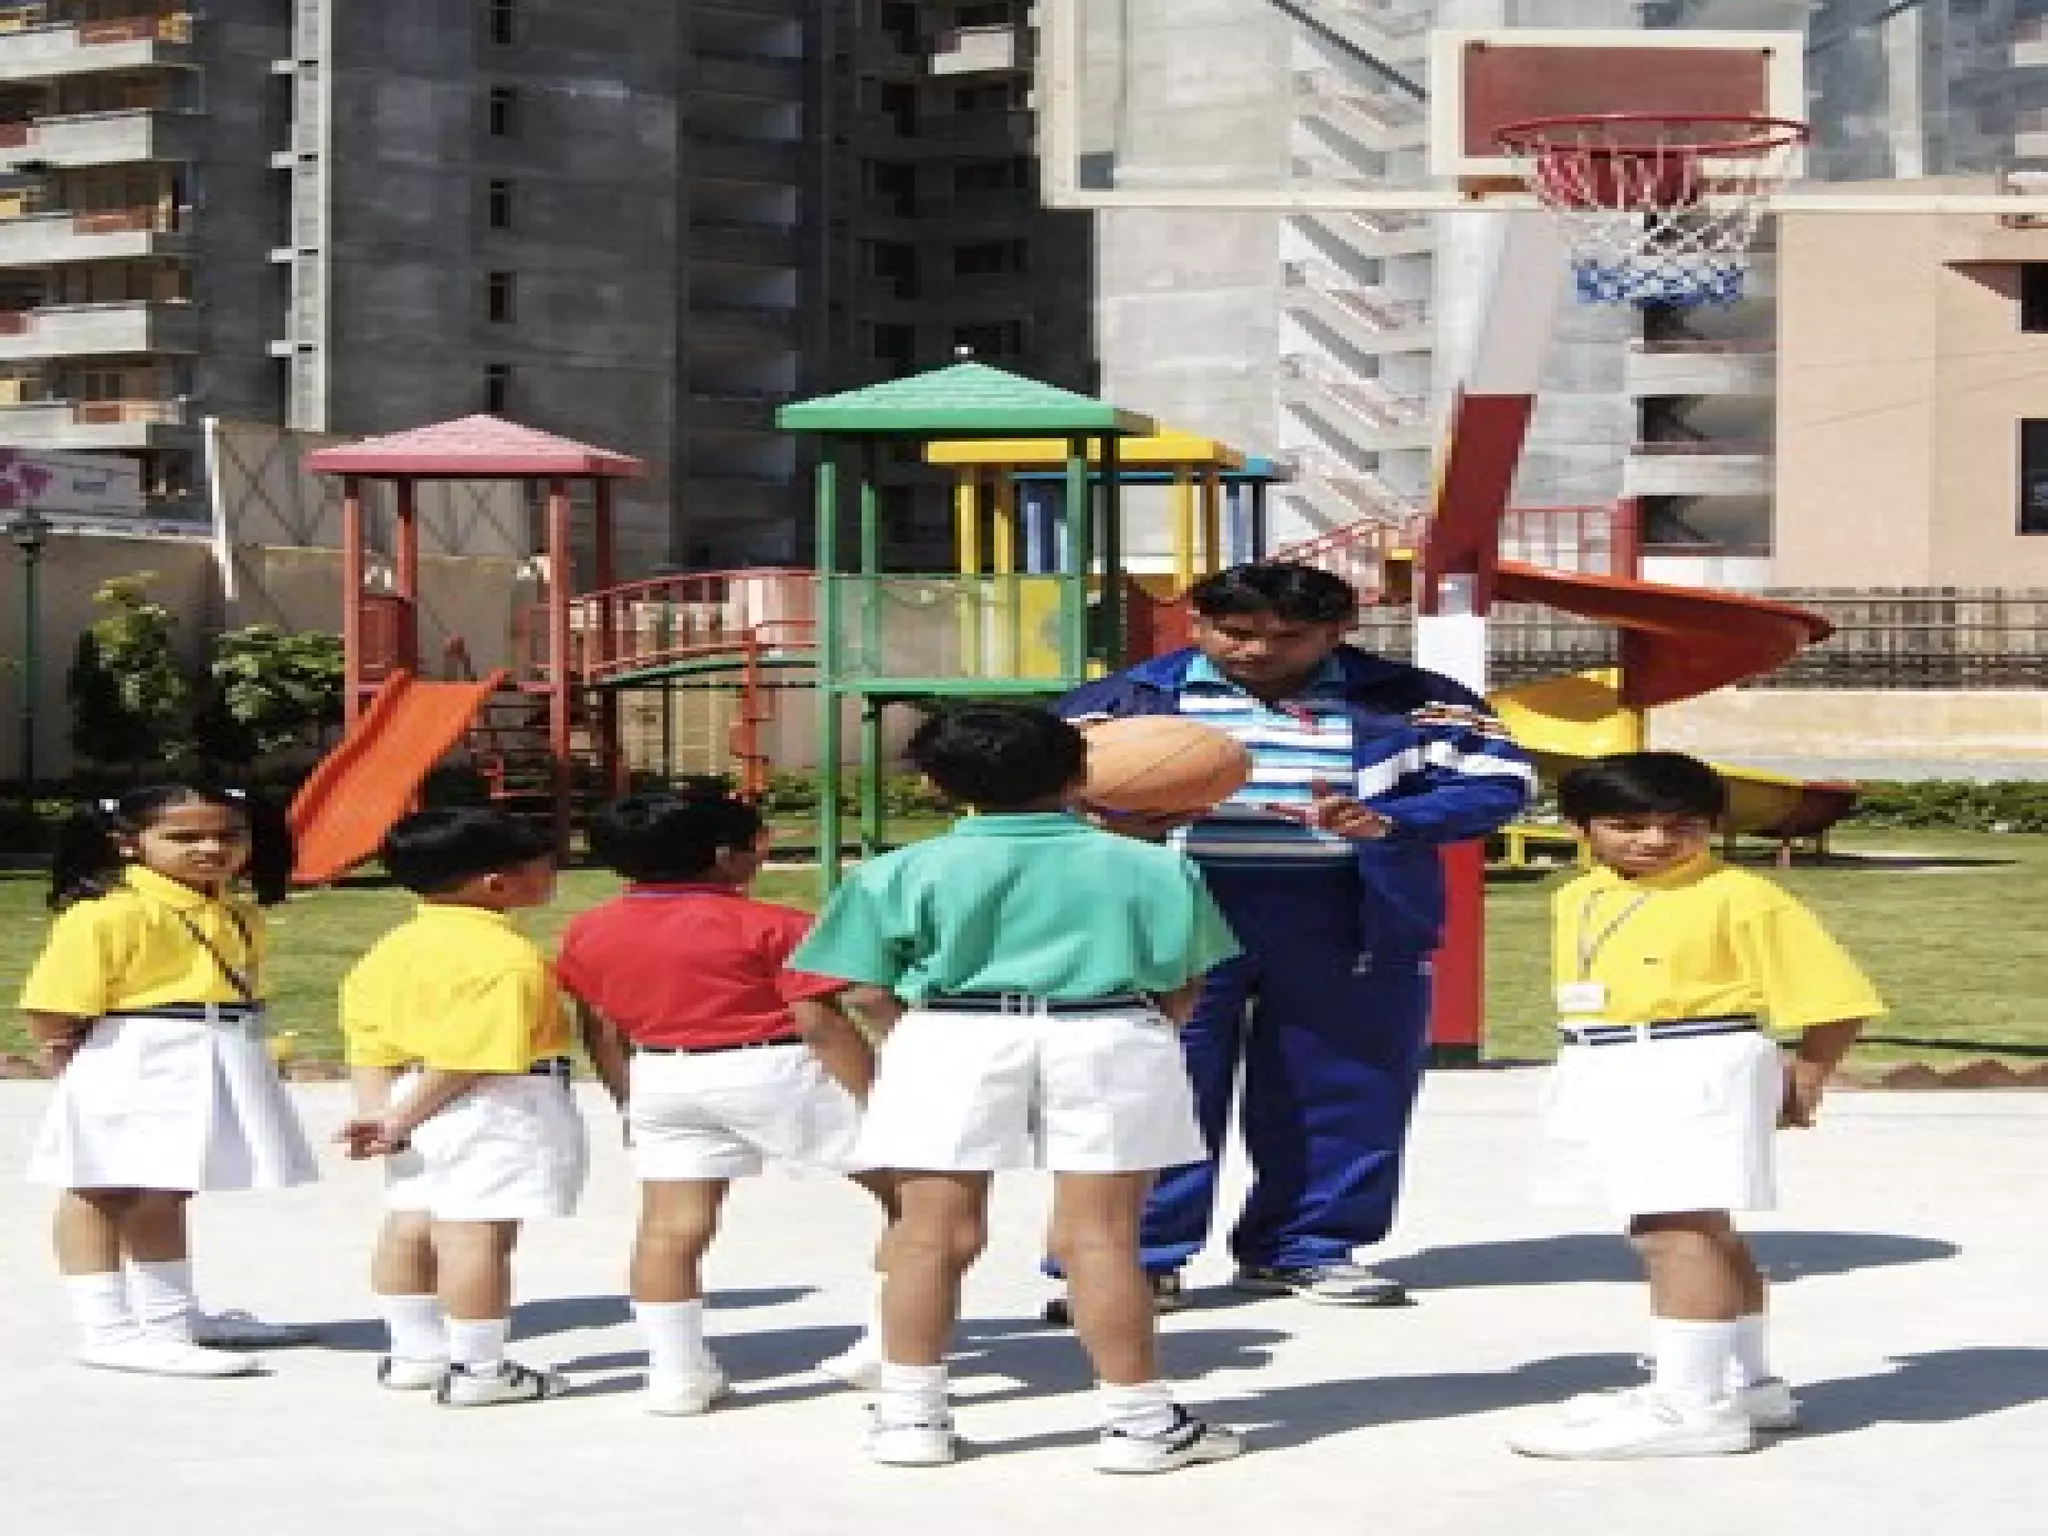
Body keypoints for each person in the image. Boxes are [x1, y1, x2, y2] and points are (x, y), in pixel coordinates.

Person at [1053, 561, 1532, 1312]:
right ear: (1197, 623)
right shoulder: (1125, 700)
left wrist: (1389, 821)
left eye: (1286, 637)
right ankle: (1132, 1259)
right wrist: (1105, 818)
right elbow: (1030, 786)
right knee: (1153, 1086)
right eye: (1233, 632)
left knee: (1343, 1084)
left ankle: (1306, 1248)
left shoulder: (1412, 700)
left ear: (1340, 631)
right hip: (1170, 914)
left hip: (1348, 913)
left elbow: (1499, 782)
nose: (1255, 650)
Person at [790, 706, 1247, 1473]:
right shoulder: (1154, 866)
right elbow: (1184, 981)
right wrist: (1143, 1030)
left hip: (952, 1030)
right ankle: (1139, 1423)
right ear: (1078, 775)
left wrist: (920, 1038)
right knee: (1101, 1238)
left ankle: (911, 1417)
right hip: (1106, 1026)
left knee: (931, 1235)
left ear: (939, 785)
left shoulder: (896, 870)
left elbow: (861, 989)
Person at [1507, 752, 1882, 1460]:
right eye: (1628, 825)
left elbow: (1838, 999)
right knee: (1705, 1224)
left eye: (1680, 825)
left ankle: (1691, 1405)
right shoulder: (1580, 896)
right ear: (1580, 828)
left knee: (1672, 1229)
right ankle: (1747, 1383)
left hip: (1693, 1060)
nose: (1655, 840)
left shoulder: (1740, 896)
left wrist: (1807, 1077)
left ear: (1711, 826)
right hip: (1608, 1058)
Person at [557, 783, 897, 1416]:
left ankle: (676, 1374)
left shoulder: (588, 930)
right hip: (775, 1066)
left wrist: (628, 1101)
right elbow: (822, 1022)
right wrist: (880, 1096)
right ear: (722, 856)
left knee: (670, 1227)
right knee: (912, 1198)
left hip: (661, 1072)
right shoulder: (774, 924)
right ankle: (889, 1346)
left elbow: (600, 1029)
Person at [19, 784, 319, 1378]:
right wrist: (65, 1056)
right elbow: (52, 1005)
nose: (210, 848)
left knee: (166, 1187)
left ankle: (171, 1319)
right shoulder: (108, 912)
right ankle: (107, 1330)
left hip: (209, 1048)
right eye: (184, 837)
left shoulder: (235, 910)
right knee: (102, 1187)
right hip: (137, 1054)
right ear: (129, 843)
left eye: (228, 835)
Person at [339, 808, 588, 1408]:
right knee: (478, 1234)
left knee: (411, 1223)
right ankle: (480, 1369)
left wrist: (380, 1112)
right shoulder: (504, 957)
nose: (553, 875)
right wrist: (400, 1119)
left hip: (409, 1093)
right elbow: (473, 1056)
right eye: (544, 866)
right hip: (492, 1103)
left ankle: (414, 1353)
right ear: (497, 883)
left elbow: (368, 1038)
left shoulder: (392, 948)